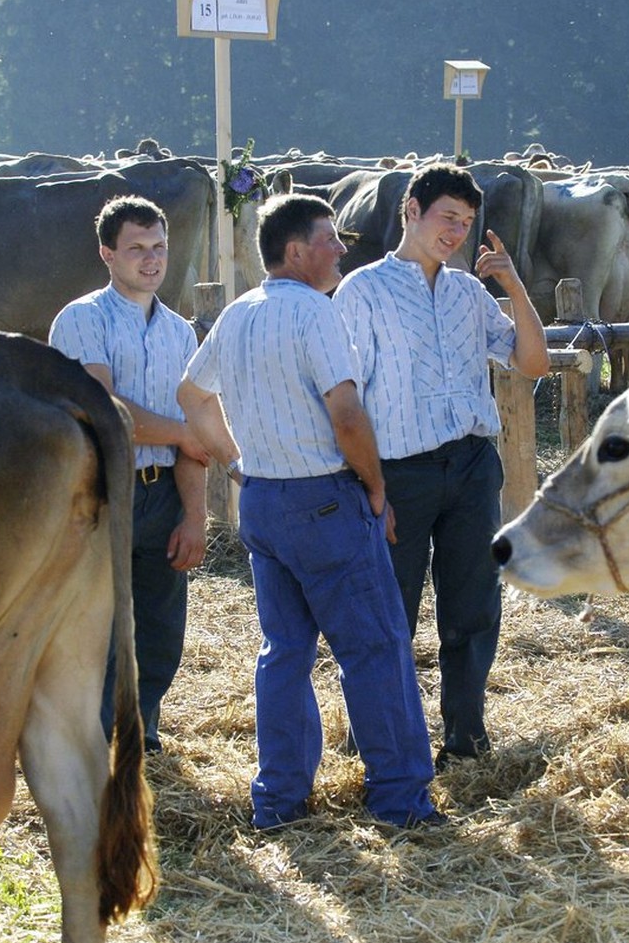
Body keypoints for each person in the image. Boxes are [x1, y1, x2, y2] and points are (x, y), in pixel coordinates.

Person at [177, 192, 443, 830]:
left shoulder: (238, 314)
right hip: (324, 498)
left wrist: (236, 461)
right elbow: (347, 414)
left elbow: (191, 393)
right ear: (296, 251)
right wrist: (376, 487)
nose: (341, 249)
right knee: (376, 648)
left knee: (285, 651)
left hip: (263, 500)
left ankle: (279, 800)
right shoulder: (317, 315)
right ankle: (400, 800)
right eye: (331, 238)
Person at [333, 163, 549, 769]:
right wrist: (372, 486)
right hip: (398, 471)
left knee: (473, 605)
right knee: (389, 608)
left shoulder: (469, 292)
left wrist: (513, 285)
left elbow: (532, 364)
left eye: (467, 221)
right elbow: (346, 397)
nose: (456, 231)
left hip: (473, 464)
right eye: (446, 216)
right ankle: (380, 738)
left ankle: (465, 737)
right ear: (411, 211)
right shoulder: (362, 291)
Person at [48, 194, 208, 752]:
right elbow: (106, 410)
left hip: (162, 491)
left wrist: (194, 514)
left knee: (161, 628)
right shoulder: (81, 318)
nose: (151, 259)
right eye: (136, 248)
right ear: (107, 254)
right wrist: (186, 434)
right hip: (100, 494)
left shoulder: (181, 334)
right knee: (99, 626)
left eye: (159, 246)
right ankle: (91, 738)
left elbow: (195, 430)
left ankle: (143, 726)